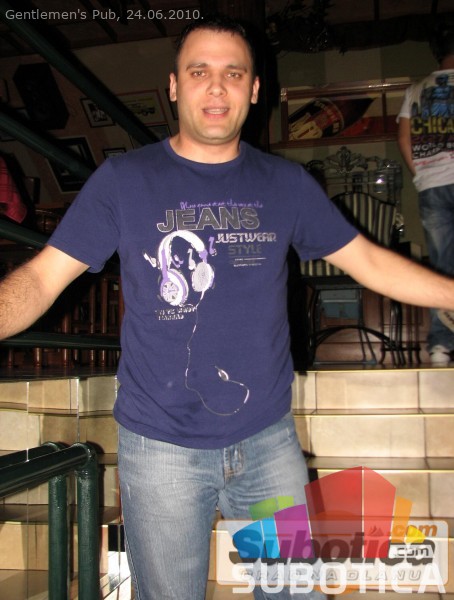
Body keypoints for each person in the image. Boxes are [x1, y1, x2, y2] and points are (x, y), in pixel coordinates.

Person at [1, 14, 454, 600]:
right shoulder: (123, 181)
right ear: (173, 86)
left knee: (293, 592)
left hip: (267, 442)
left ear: (254, 89)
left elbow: (368, 260)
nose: (216, 87)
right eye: (199, 72)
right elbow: (42, 278)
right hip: (160, 448)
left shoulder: (286, 184)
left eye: (233, 73)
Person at [397, 25, 454, 365]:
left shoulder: (416, 89)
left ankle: (440, 347)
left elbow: (404, 139)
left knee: (442, 265)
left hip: (432, 183)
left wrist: (420, 175)